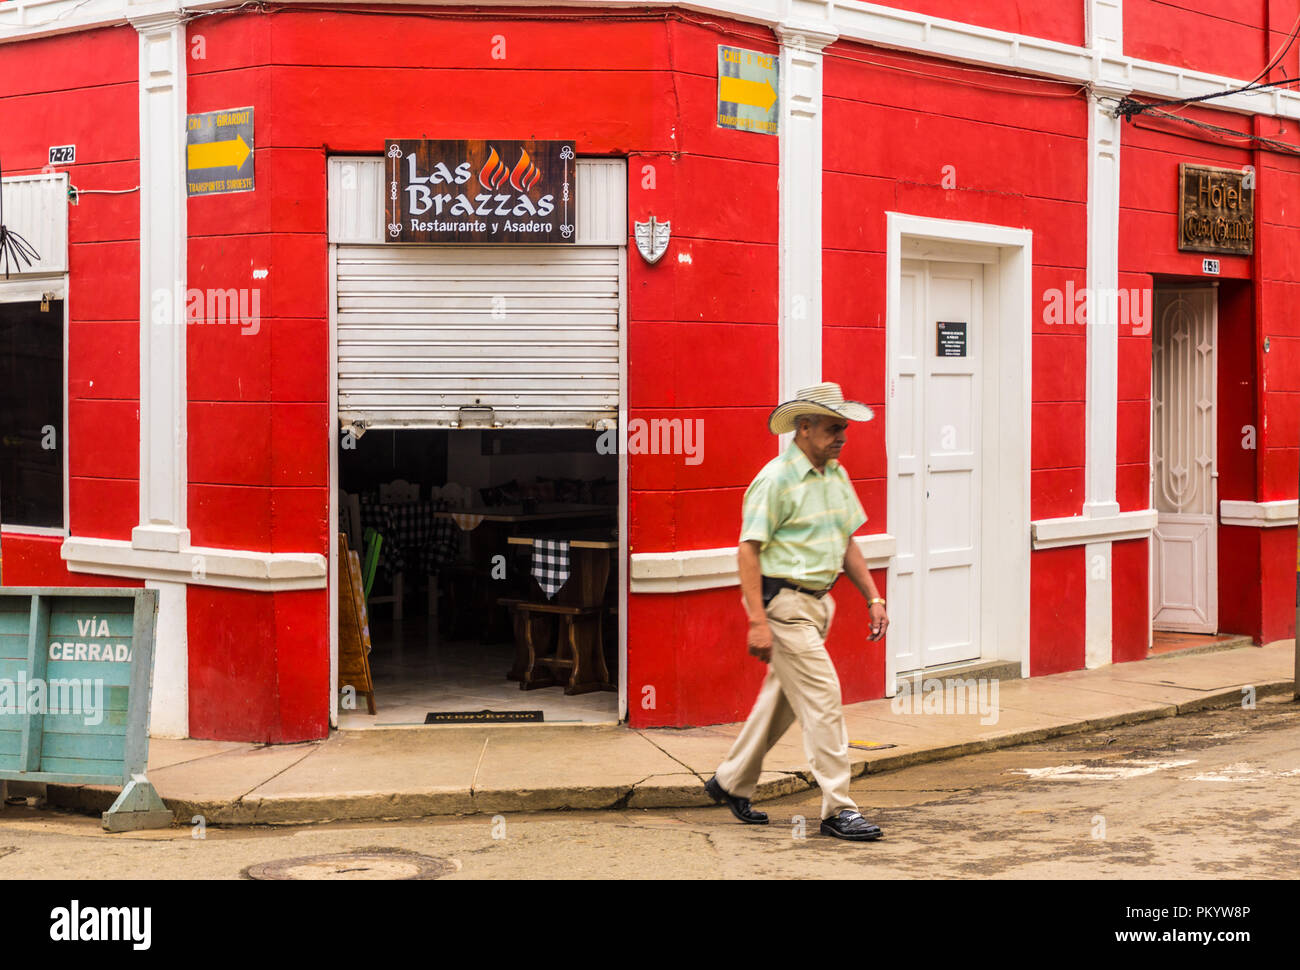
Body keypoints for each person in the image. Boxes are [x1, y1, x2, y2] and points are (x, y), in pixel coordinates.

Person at [704, 382, 890, 842]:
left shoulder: (834, 475)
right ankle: (838, 809)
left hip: (817, 605)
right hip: (783, 606)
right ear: (803, 428)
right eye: (833, 428)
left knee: (781, 704)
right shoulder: (775, 480)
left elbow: (846, 541)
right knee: (825, 698)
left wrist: (873, 597)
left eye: (844, 428)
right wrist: (757, 621)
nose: (842, 436)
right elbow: (748, 551)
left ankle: (729, 782)